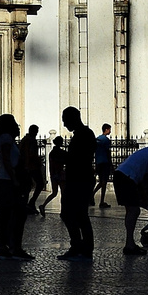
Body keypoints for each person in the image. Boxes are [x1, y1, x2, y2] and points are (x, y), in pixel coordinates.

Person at [113, 143, 148, 254]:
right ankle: (129, 245)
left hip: (121, 174)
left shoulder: (147, 159)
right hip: (127, 177)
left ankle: (130, 243)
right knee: (133, 210)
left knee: (131, 210)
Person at [59, 106, 96, 261]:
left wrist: (64, 156)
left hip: (80, 179)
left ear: (73, 119)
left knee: (77, 214)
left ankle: (84, 248)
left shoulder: (84, 135)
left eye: (65, 121)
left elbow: (80, 158)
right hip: (77, 178)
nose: (64, 125)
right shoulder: (83, 134)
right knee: (71, 214)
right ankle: (78, 246)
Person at [0, 112, 30, 261]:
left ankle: (6, 246)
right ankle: (13, 247)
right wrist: (15, 179)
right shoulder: (6, 139)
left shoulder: (4, 139)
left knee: (6, 215)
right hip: (8, 181)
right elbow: (7, 161)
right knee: (15, 215)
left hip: (4, 180)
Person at [20, 124, 44, 215]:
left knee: (28, 186)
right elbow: (30, 153)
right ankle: (31, 203)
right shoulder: (31, 140)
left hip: (27, 165)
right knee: (40, 183)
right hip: (32, 166)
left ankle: (28, 203)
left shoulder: (25, 139)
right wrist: (38, 161)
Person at [39, 136, 66, 213]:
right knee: (63, 193)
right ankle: (63, 209)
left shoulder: (52, 153)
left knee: (54, 193)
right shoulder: (61, 152)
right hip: (60, 174)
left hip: (54, 174)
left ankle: (43, 205)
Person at [94, 123, 114, 208]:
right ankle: (101, 201)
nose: (110, 131)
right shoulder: (106, 140)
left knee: (101, 182)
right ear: (106, 129)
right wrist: (111, 164)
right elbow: (107, 152)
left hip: (98, 162)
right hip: (105, 162)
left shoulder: (97, 139)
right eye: (109, 129)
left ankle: (91, 194)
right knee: (104, 182)